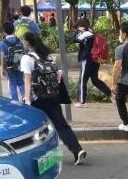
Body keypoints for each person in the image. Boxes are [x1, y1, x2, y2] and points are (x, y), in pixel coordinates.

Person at [20, 32, 87, 165]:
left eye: (23, 40)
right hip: (53, 95)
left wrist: (26, 99)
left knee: (37, 128)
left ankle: (41, 156)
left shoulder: (27, 58)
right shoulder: (47, 55)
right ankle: (77, 150)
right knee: (61, 125)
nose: (22, 43)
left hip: (37, 99)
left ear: (27, 42)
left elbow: (27, 80)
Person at [73, 17, 112, 107]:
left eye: (78, 26)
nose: (77, 28)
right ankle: (111, 94)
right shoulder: (92, 33)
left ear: (82, 26)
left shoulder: (86, 34)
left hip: (87, 60)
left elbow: (74, 39)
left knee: (82, 80)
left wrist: (78, 31)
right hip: (95, 60)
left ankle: (82, 101)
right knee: (95, 80)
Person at [0, 22, 26, 101]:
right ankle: (25, 99)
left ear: (4, 32)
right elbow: (23, 52)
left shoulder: (3, 43)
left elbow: (3, 57)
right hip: (19, 65)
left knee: (12, 83)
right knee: (21, 82)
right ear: (14, 30)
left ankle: (15, 101)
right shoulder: (19, 40)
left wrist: (2, 69)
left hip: (9, 67)